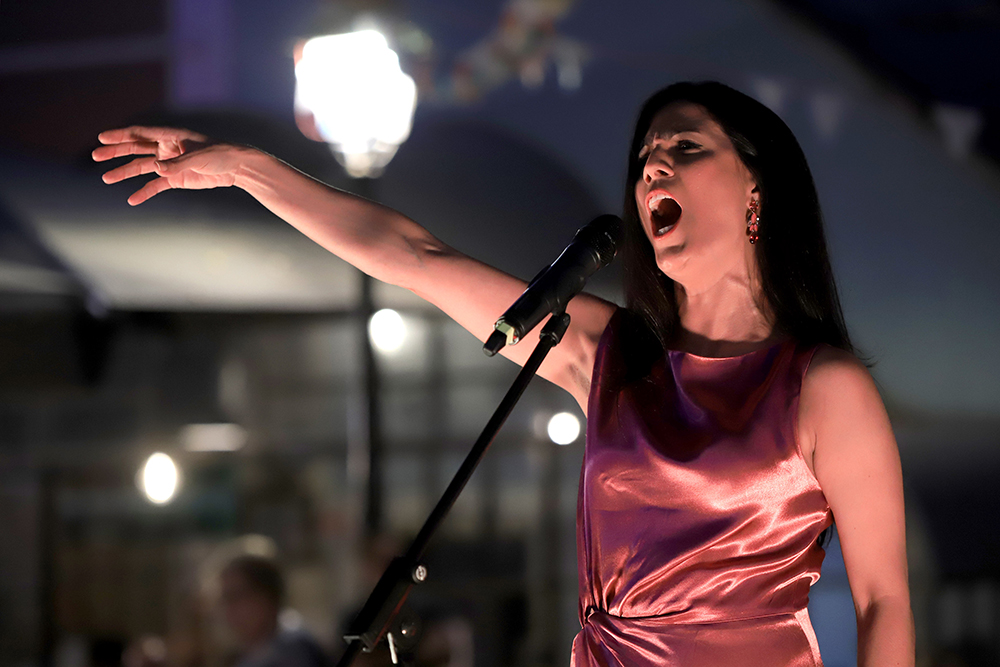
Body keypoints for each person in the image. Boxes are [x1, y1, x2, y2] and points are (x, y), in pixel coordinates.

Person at [94, 81, 914, 665]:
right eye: (645, 158)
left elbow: (883, 600)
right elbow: (416, 258)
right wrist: (246, 169)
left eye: (685, 149)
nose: (652, 170)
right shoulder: (610, 355)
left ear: (756, 191)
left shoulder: (823, 387)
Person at [218, 555, 330, 667]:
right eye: (225, 599)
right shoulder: (251, 654)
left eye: (236, 596)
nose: (228, 609)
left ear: (267, 597)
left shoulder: (293, 649)